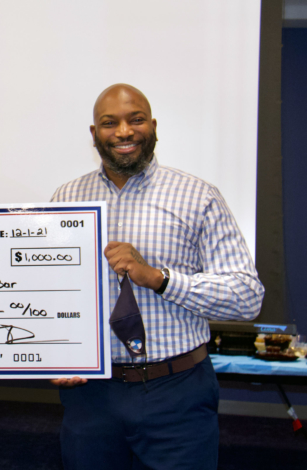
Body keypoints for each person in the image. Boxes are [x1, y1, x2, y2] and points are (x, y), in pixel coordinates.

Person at [50, 84, 264, 470]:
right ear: (94, 133)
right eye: (109, 123)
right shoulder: (66, 198)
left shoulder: (199, 196)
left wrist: (158, 278)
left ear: (153, 126)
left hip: (177, 390)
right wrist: (57, 352)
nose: (124, 132)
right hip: (92, 397)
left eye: (135, 120)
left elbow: (246, 297)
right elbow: (53, 293)